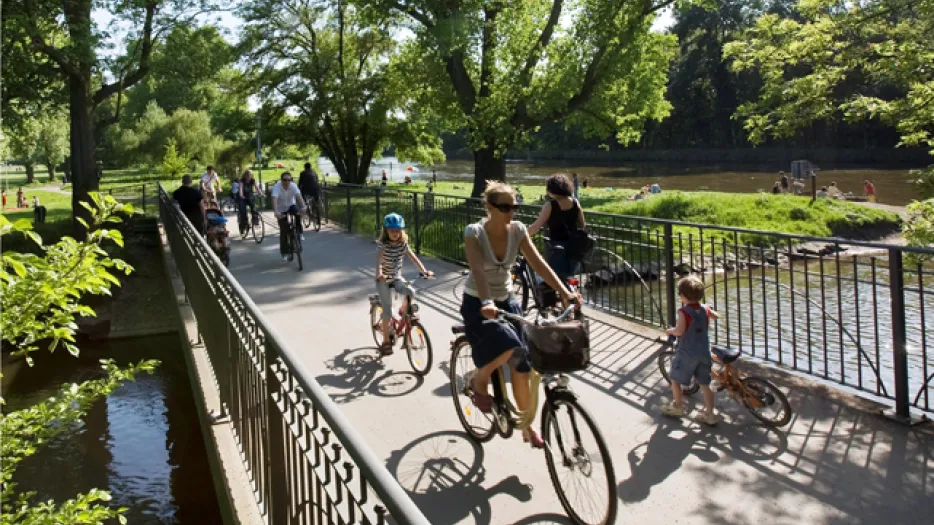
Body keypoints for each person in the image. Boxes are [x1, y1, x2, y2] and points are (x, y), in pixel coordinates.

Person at [462, 181, 581, 448]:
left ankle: (527, 426)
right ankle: (478, 382)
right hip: (477, 301)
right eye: (505, 207)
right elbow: (478, 270)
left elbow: (538, 261)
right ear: (489, 206)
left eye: (515, 206)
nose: (511, 212)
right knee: (509, 346)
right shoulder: (474, 232)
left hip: (507, 299)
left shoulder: (518, 230)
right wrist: (486, 301)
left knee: (523, 366)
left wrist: (564, 291)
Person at [663, 276, 720, 425]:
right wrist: (707, 310)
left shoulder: (684, 312)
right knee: (705, 384)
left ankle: (678, 406)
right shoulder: (705, 309)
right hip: (704, 352)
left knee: (675, 379)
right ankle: (709, 414)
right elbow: (716, 316)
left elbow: (680, 331)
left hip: (687, 352)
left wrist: (670, 331)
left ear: (682, 295)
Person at [375, 213, 434, 356]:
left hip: (396, 278)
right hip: (383, 279)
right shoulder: (383, 245)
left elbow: (414, 258)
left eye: (397, 231)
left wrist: (424, 271)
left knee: (411, 291)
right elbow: (378, 262)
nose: (395, 234)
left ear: (401, 231)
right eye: (391, 231)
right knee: (387, 311)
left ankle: (402, 311)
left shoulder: (403, 244)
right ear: (386, 231)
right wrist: (379, 273)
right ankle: (385, 342)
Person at [528, 174, 587, 279]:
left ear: (551, 190)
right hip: (575, 246)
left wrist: (522, 235)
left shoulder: (550, 205)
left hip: (557, 247)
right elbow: (582, 225)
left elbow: (536, 226)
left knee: (556, 278)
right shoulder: (575, 202)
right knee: (571, 278)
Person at [271, 172, 307, 262]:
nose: (287, 182)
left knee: (298, 214)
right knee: (284, 230)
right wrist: (276, 212)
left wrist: (303, 207)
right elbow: (274, 199)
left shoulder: (293, 186)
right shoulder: (277, 187)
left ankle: (298, 236)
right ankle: (285, 252)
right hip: (281, 208)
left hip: (291, 205)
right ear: (281, 180)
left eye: (289, 180)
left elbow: (299, 197)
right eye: (284, 180)